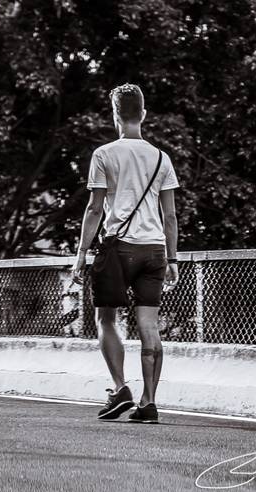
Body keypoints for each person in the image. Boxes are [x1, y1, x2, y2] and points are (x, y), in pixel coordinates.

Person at [71, 83, 179, 423]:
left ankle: (120, 388)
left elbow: (94, 209)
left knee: (107, 318)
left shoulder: (104, 154)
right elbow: (170, 216)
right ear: (143, 114)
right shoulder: (162, 158)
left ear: (115, 115)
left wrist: (80, 254)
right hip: (154, 250)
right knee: (150, 325)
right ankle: (149, 403)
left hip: (117, 249)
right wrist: (173, 258)